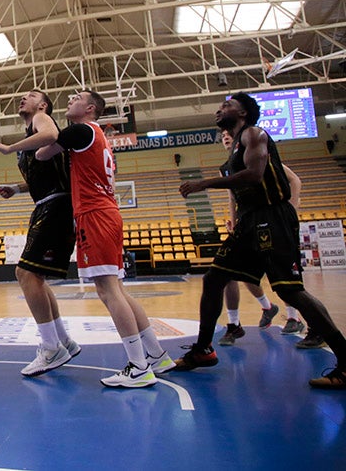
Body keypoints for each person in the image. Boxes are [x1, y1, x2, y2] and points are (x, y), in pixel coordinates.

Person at [175, 92, 346, 388]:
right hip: (250, 221)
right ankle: (204, 349)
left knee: (290, 291)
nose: (220, 109)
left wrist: (204, 183)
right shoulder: (235, 145)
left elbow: (254, 175)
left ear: (243, 113)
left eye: (227, 105)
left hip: (272, 218)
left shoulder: (254, 134)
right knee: (214, 279)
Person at [36, 91, 173, 388]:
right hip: (107, 212)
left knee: (108, 292)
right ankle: (157, 355)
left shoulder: (81, 130)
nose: (70, 99)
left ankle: (138, 366)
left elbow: (41, 153)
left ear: (89, 109)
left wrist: (40, 119)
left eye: (76, 98)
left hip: (95, 215)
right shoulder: (98, 138)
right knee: (118, 290)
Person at [0, 89, 82, 377]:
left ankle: (51, 347)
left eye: (30, 95)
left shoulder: (42, 119)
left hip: (57, 203)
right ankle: (63, 340)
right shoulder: (31, 132)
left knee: (25, 273)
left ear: (42, 105)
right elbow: (43, 175)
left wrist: (9, 147)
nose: (23, 97)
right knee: (36, 277)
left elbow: (52, 136)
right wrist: (17, 188)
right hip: (48, 203)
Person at [215, 128, 297, 346]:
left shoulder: (259, 156)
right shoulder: (228, 167)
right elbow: (232, 197)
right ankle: (238, 322)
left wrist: (291, 211)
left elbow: (295, 180)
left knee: (280, 273)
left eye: (228, 134)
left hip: (272, 220)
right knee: (231, 273)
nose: (225, 136)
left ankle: (294, 317)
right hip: (246, 222)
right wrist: (232, 221)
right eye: (222, 135)